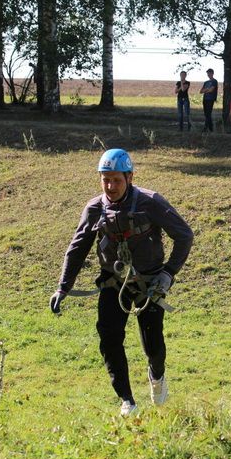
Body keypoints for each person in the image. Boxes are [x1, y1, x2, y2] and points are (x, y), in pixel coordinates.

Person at [49, 149, 194, 416]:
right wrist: (63, 286)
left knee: (153, 345)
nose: (110, 186)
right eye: (105, 179)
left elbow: (184, 235)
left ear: (129, 177)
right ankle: (127, 400)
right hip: (112, 284)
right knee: (109, 338)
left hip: (149, 285)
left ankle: (157, 376)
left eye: (116, 180)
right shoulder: (94, 208)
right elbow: (77, 248)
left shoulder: (151, 202)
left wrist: (169, 273)